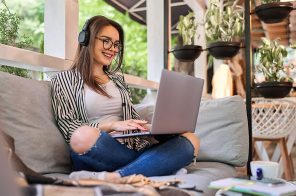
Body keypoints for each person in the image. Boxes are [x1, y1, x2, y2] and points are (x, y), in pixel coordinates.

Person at [51, 15, 200, 181]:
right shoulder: (64, 79)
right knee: (82, 135)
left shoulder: (118, 81)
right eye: (106, 41)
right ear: (87, 39)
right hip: (98, 148)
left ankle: (117, 176)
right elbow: (68, 127)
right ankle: (159, 166)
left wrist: (154, 129)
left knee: (191, 140)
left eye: (116, 44)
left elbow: (131, 120)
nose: (113, 49)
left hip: (130, 148)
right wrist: (111, 125)